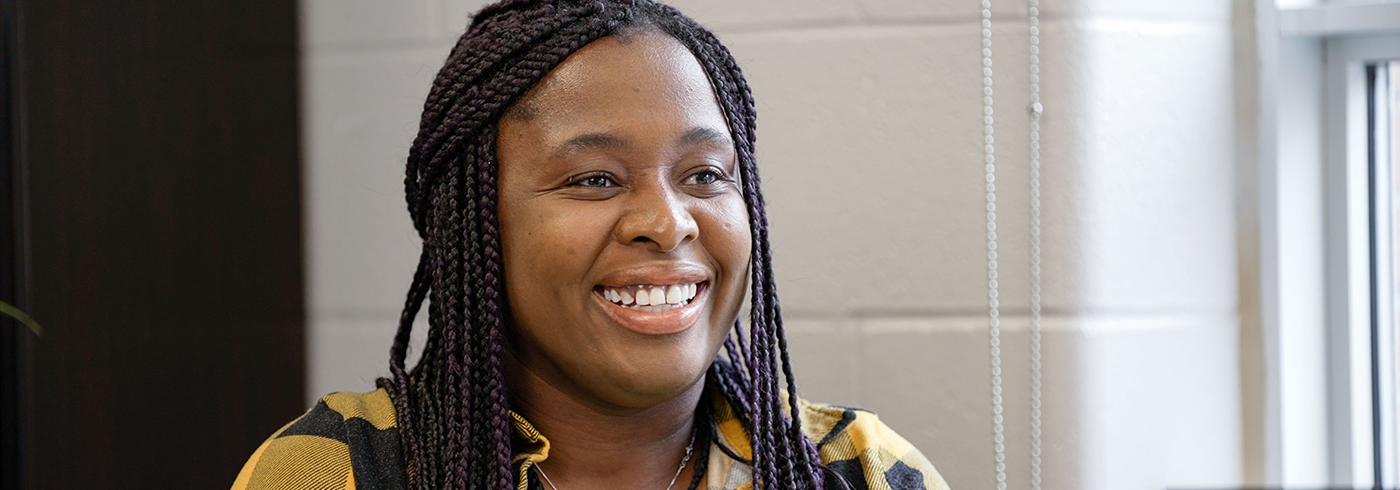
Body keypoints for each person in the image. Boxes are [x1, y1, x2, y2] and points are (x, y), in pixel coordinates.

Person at [232, 1, 949, 489]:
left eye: (704, 174)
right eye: (595, 179)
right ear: (475, 223)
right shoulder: (345, 469)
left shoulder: (854, 470)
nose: (668, 224)